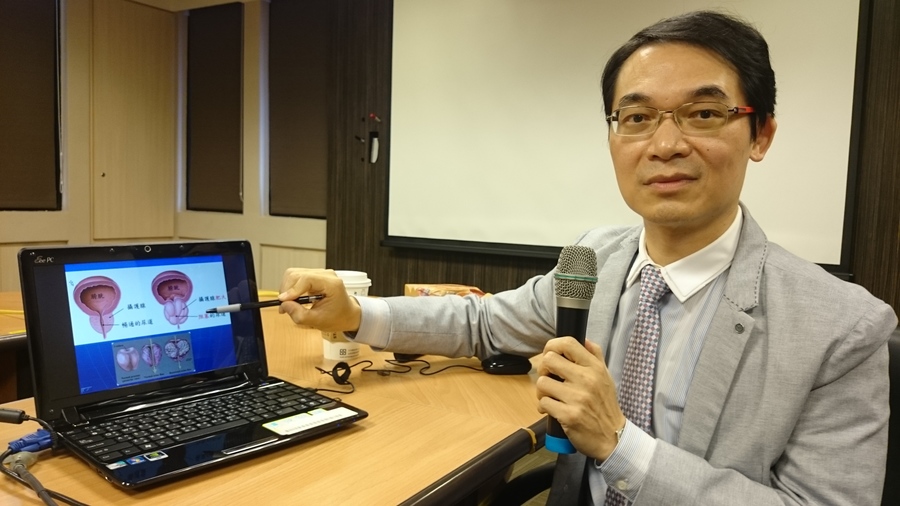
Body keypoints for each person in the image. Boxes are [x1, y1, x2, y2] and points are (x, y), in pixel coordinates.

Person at [278, 10, 898, 506]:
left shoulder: (843, 328)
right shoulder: (598, 258)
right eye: (638, 117)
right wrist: (353, 313)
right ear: (613, 135)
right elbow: (485, 322)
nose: (665, 144)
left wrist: (618, 443)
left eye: (704, 114)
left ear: (760, 134)